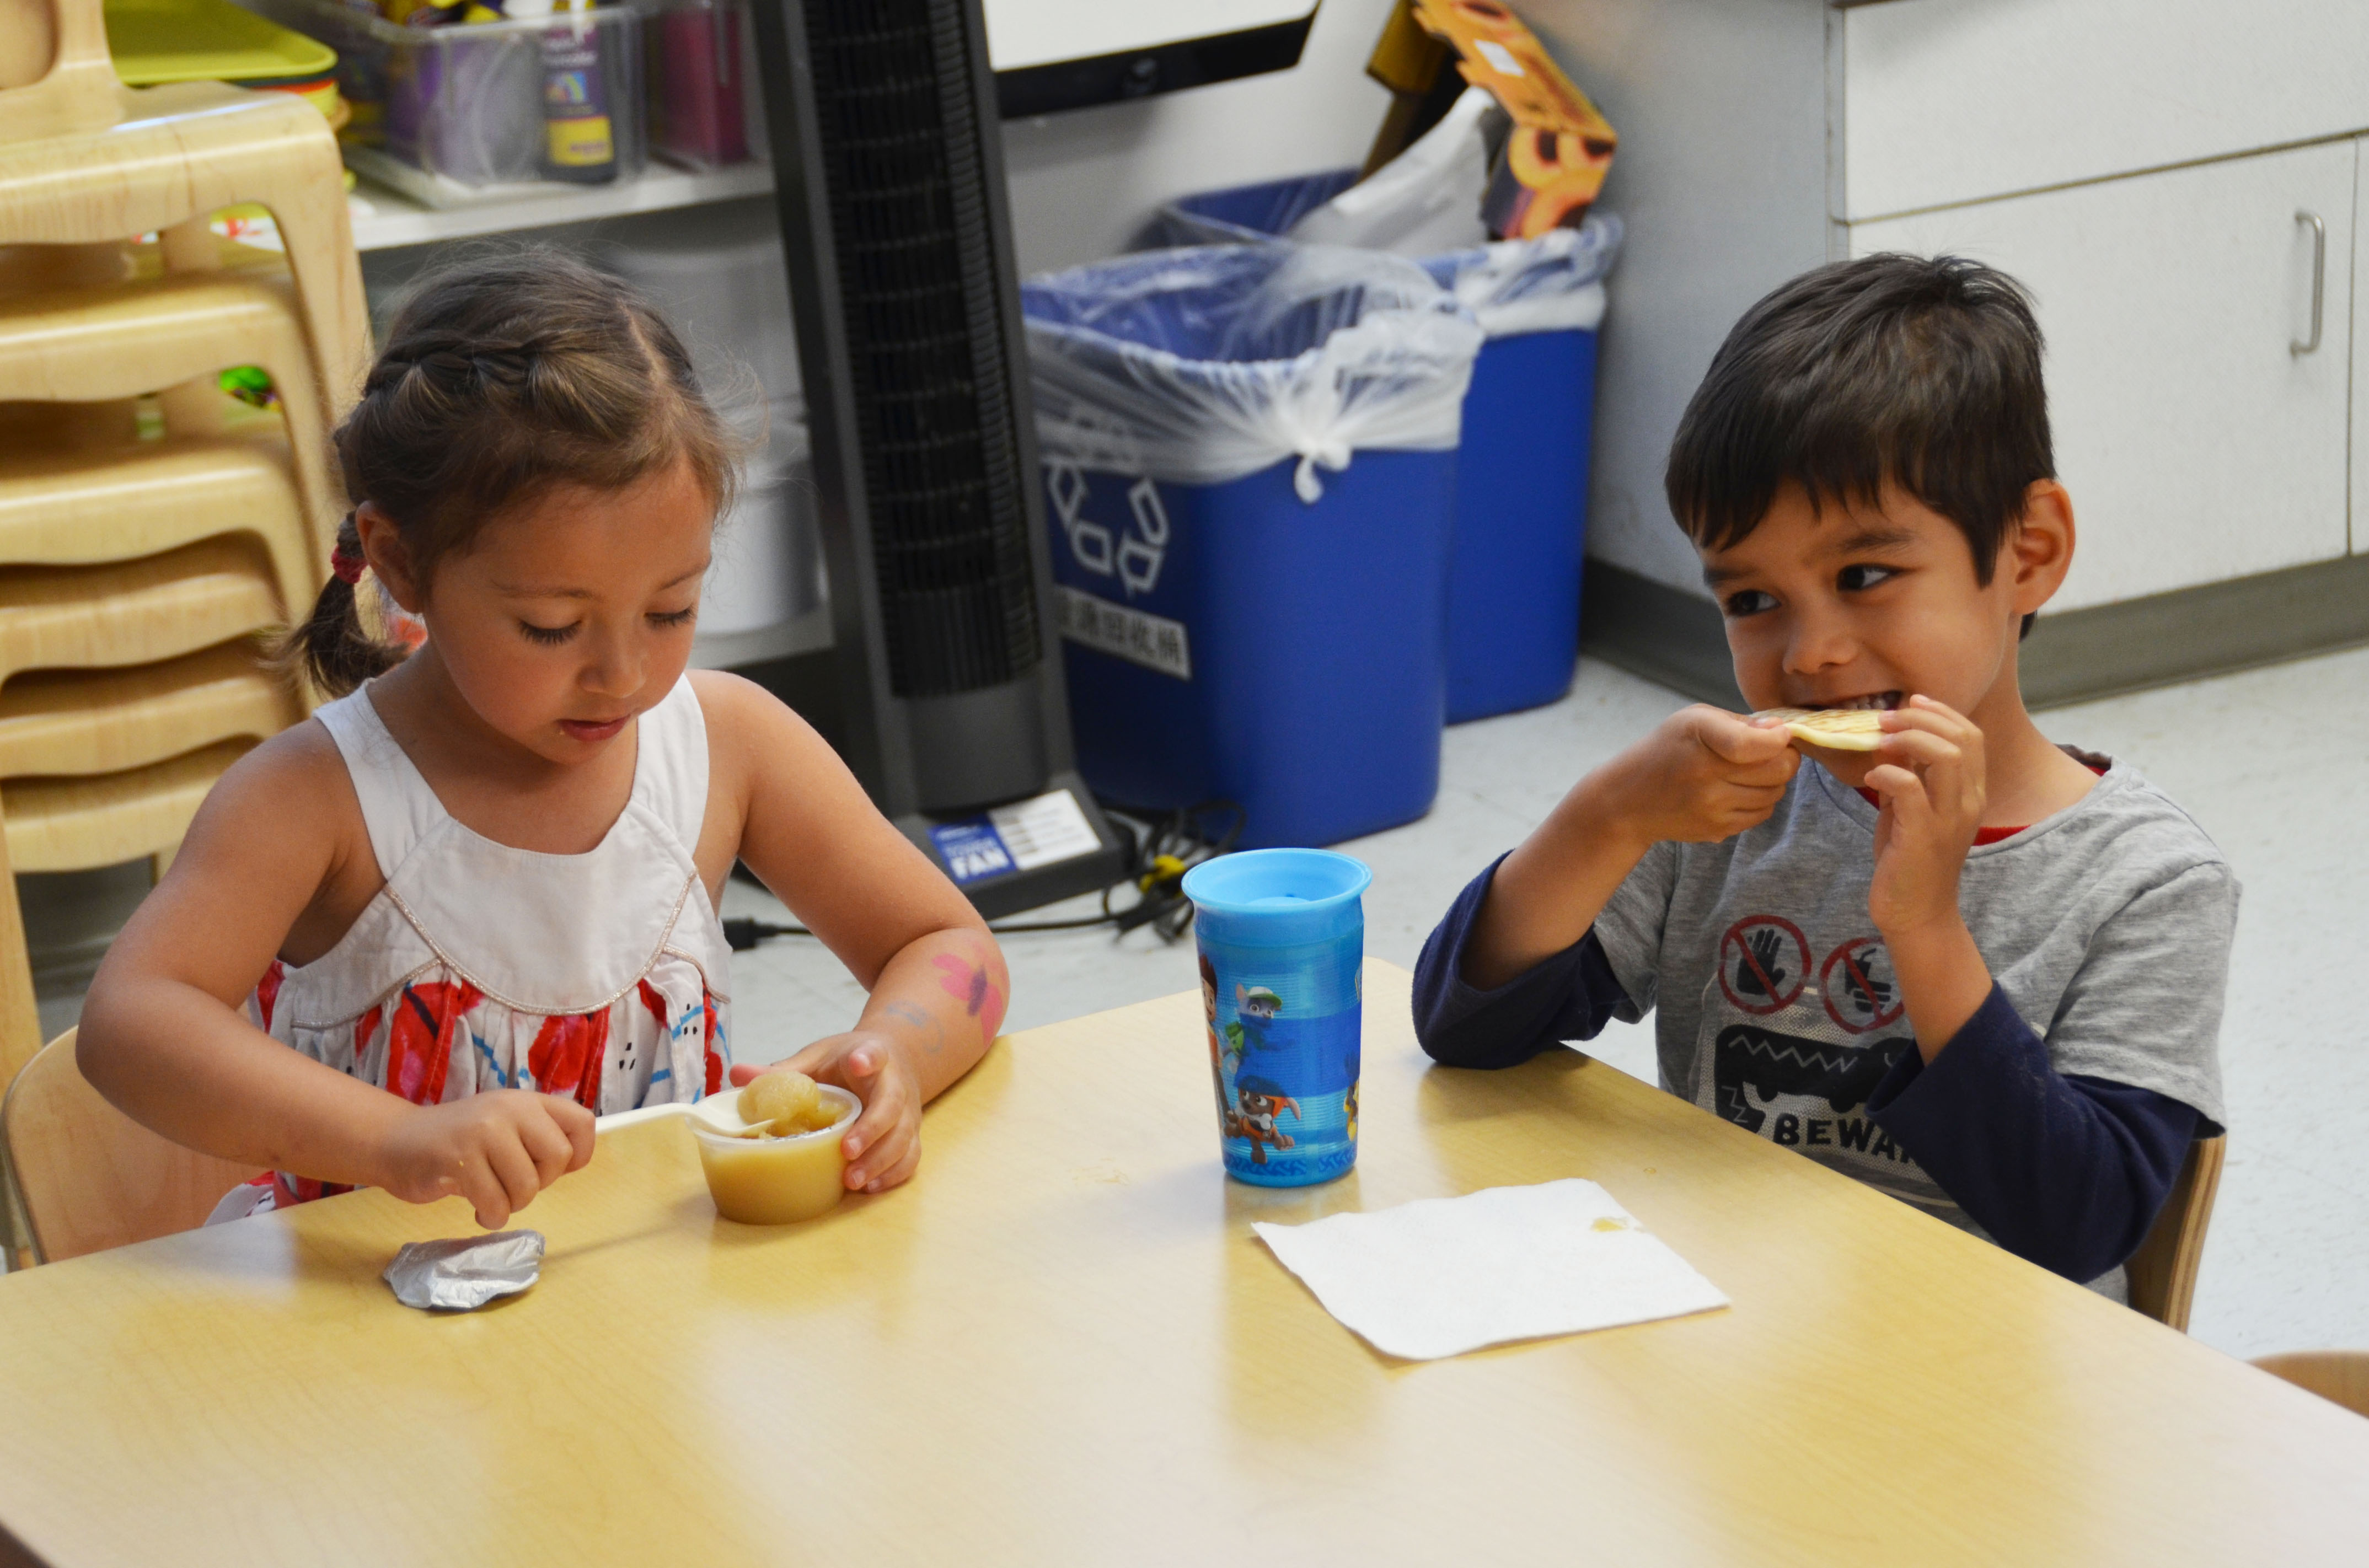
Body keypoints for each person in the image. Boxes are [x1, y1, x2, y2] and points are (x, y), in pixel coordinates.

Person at [77, 253, 1008, 1230]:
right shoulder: (320, 797)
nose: (625, 675)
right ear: (401, 562)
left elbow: (947, 943)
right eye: (553, 628)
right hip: (368, 1340)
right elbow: (132, 1025)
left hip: (643, 1326)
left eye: (672, 609)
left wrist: (894, 1052)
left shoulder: (730, 745)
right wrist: (393, 1138)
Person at [1412, 254, 2235, 1299]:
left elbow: (2079, 1223)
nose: (1809, 655)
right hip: (1738, 1353)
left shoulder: (2149, 882)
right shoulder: (1723, 814)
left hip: (1990, 1405)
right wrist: (1608, 814)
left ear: (2027, 552)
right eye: (1753, 600)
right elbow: (1470, 1030)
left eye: (1864, 577)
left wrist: (1927, 929)